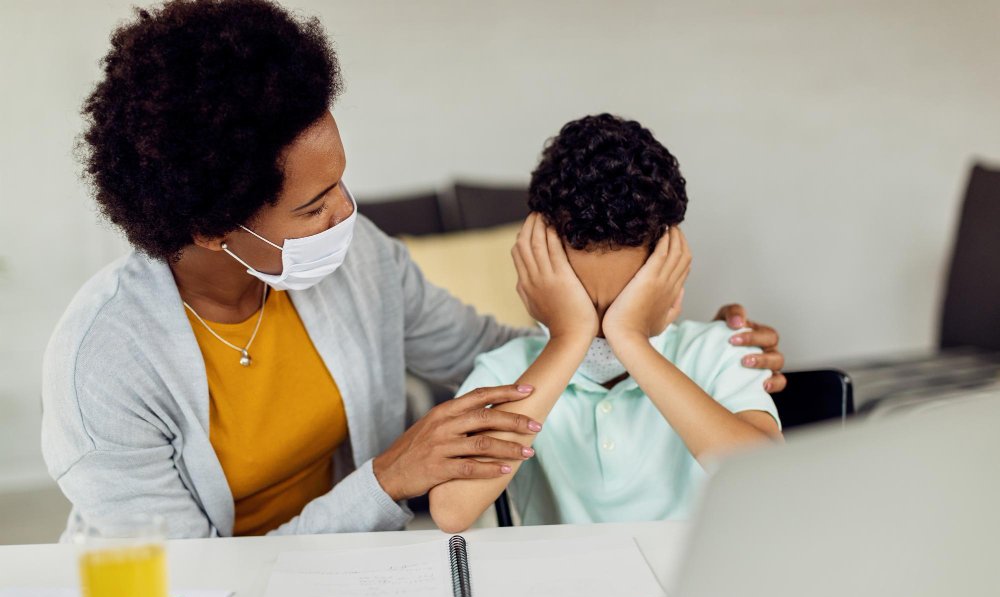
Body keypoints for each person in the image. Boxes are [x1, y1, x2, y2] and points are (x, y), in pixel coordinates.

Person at [41, 0, 786, 539]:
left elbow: (495, 358)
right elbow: (188, 590)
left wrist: (670, 345)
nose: (346, 214)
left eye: (341, 182)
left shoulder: (359, 260)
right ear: (208, 226)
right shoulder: (105, 364)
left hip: (361, 577)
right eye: (312, 207)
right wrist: (388, 479)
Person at [430, 115, 782, 533]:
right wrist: (567, 339)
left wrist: (633, 342)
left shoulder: (718, 352)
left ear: (670, 277)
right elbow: (451, 510)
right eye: (580, 306)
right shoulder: (506, 372)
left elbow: (769, 480)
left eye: (622, 306)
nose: (601, 328)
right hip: (563, 594)